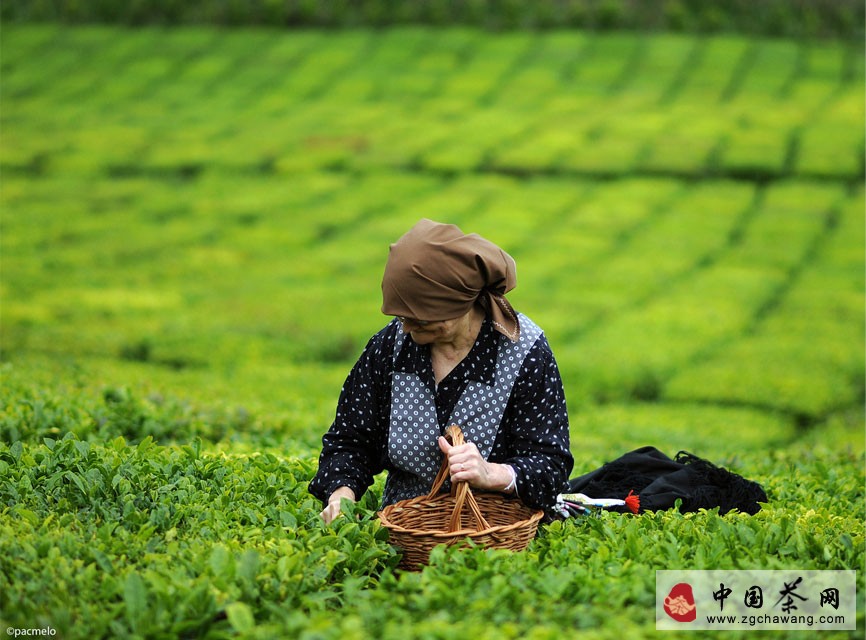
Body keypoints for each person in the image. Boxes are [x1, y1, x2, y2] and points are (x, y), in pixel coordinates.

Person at [309, 218, 573, 523]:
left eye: (420, 319)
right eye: (401, 316)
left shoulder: (524, 351)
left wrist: (491, 473)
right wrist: (341, 495)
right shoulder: (390, 346)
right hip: (407, 529)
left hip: (498, 530)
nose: (406, 327)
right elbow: (350, 439)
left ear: (458, 303)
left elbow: (551, 467)